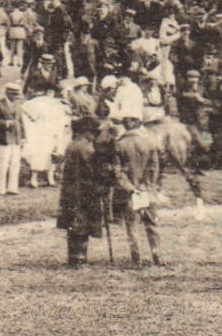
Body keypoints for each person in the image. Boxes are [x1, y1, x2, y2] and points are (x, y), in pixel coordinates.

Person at [113, 115, 163, 268]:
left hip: (130, 191)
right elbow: (154, 167)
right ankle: (157, 256)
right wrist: (150, 185)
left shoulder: (119, 144)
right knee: (152, 224)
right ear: (139, 123)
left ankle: (137, 260)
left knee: (132, 226)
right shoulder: (150, 141)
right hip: (147, 188)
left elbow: (117, 171)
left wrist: (130, 187)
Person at [57, 116, 104, 266]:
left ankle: (74, 257)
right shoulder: (85, 148)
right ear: (87, 132)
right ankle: (80, 258)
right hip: (84, 190)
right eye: (93, 133)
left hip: (71, 190)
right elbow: (93, 169)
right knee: (83, 224)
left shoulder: (72, 144)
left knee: (73, 224)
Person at [0, 84, 24, 196]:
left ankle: (13, 188)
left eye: (16, 95)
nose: (15, 97)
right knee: (3, 164)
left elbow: (21, 121)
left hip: (16, 138)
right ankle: (1, 188)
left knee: (15, 164)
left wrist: (23, 137)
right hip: (4, 138)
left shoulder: (18, 105)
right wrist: (6, 123)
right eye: (13, 94)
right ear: (7, 93)